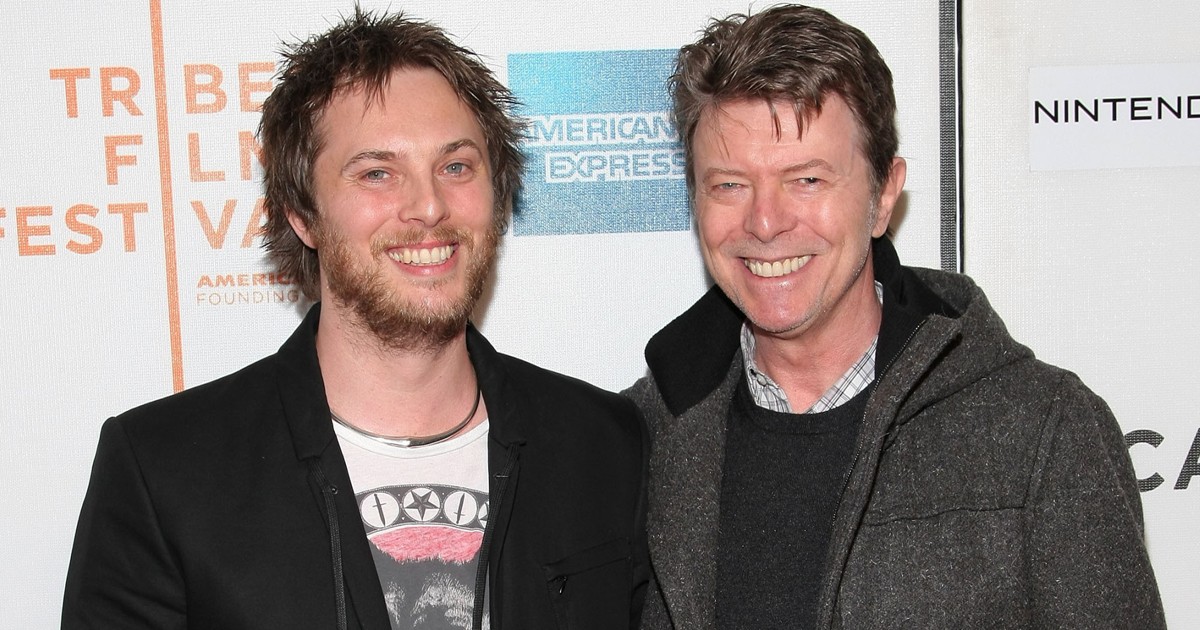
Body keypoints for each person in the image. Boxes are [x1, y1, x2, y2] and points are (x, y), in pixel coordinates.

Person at [62, 8, 648, 630]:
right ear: (302, 216)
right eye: (377, 173)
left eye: (455, 166)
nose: (428, 206)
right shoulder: (164, 473)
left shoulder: (602, 445)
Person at [625, 5, 1165, 629]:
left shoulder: (1044, 431)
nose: (765, 223)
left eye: (806, 180)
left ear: (883, 194)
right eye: (729, 185)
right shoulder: (636, 442)